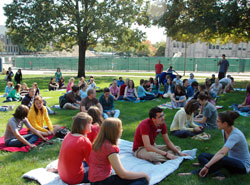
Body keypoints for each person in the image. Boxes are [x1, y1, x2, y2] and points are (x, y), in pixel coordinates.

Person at [179, 111, 250, 179]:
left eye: (218, 121)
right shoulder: (224, 130)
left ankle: (195, 172)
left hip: (243, 166)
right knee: (202, 155)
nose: (216, 123)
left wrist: (207, 166)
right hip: (231, 160)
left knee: (221, 159)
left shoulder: (235, 135)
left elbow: (222, 153)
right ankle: (218, 173)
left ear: (225, 123)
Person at [89, 118, 149, 185]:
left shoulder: (97, 143)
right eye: (120, 128)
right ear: (115, 131)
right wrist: (144, 174)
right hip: (103, 182)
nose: (122, 130)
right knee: (143, 180)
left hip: (94, 181)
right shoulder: (110, 148)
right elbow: (122, 174)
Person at [58, 112, 92, 184]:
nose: (91, 125)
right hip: (74, 179)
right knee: (101, 171)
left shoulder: (68, 135)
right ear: (82, 125)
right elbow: (93, 163)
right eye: (89, 123)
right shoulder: (84, 141)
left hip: (62, 174)